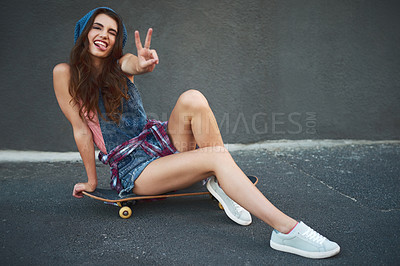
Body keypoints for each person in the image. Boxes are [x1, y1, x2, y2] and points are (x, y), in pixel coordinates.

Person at [53, 7, 340, 259]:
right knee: (215, 156)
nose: (104, 34)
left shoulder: (120, 64)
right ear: (84, 32)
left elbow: (134, 64)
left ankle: (223, 184)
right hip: (134, 168)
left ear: (117, 42)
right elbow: (81, 131)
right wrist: (91, 180)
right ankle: (286, 229)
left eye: (112, 32)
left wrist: (143, 63)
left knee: (193, 97)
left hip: (157, 142)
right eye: (97, 27)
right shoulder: (65, 73)